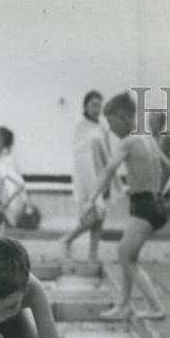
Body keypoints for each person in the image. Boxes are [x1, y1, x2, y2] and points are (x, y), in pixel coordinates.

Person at [86, 91, 170, 321]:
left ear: (124, 117)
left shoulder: (129, 141)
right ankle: (124, 305)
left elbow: (108, 170)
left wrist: (91, 199)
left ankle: (156, 307)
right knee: (126, 253)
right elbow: (168, 166)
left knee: (125, 255)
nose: (111, 129)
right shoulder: (148, 139)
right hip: (153, 202)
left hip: (145, 206)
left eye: (112, 122)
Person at [58, 90, 113, 273]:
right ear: (85, 106)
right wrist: (89, 181)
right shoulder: (80, 125)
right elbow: (80, 155)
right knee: (94, 214)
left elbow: (108, 152)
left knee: (100, 218)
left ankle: (93, 255)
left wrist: (109, 178)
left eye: (99, 105)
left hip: (101, 175)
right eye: (93, 105)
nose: (97, 109)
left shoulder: (103, 126)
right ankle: (68, 239)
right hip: (86, 178)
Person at [0, 126, 29, 227]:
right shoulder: (5, 159)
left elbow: (11, 189)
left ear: (2, 143)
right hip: (11, 205)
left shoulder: (6, 161)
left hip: (10, 206)